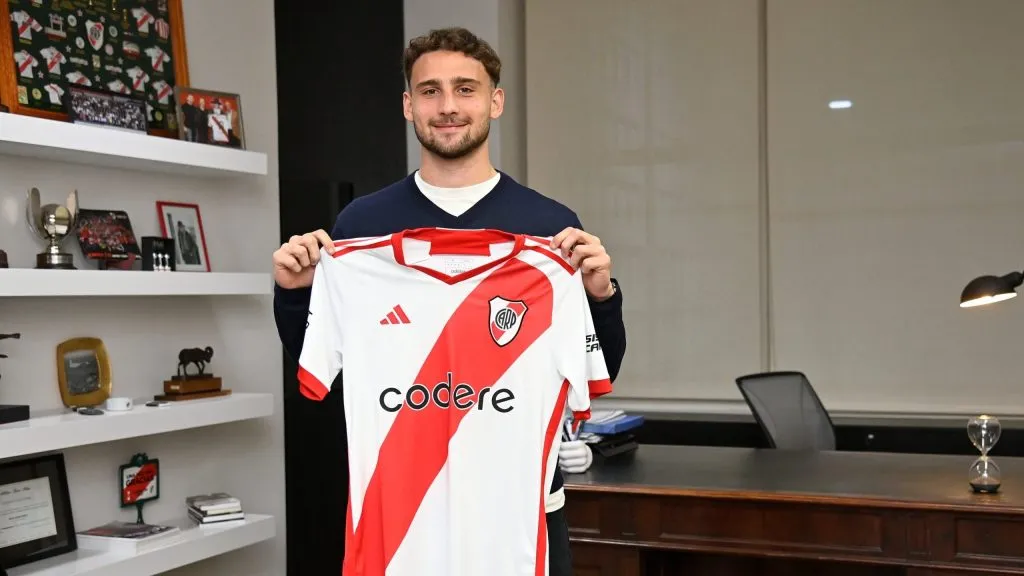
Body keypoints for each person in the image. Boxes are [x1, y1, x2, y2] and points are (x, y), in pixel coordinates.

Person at [272, 26, 627, 575]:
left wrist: (600, 296)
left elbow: (596, 364)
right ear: (408, 106)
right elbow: (324, 363)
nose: (448, 106)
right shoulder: (360, 229)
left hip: (521, 516)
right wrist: (295, 295)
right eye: (430, 91)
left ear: (495, 101)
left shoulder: (550, 231)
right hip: (402, 521)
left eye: (466, 89)